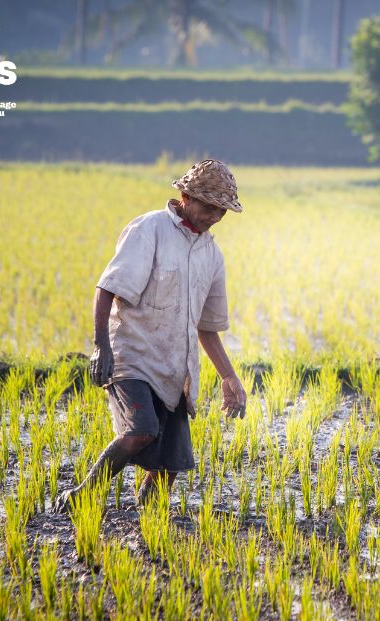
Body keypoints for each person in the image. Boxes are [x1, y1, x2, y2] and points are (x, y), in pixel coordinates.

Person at [55, 159, 247, 513]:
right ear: (186, 196)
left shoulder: (212, 254)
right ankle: (80, 497)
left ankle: (148, 523)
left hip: (175, 367)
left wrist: (229, 377)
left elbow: (207, 327)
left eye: (221, 211)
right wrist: (101, 346)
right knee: (139, 431)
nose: (214, 217)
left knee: (170, 466)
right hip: (133, 355)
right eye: (209, 206)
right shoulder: (150, 229)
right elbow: (108, 288)